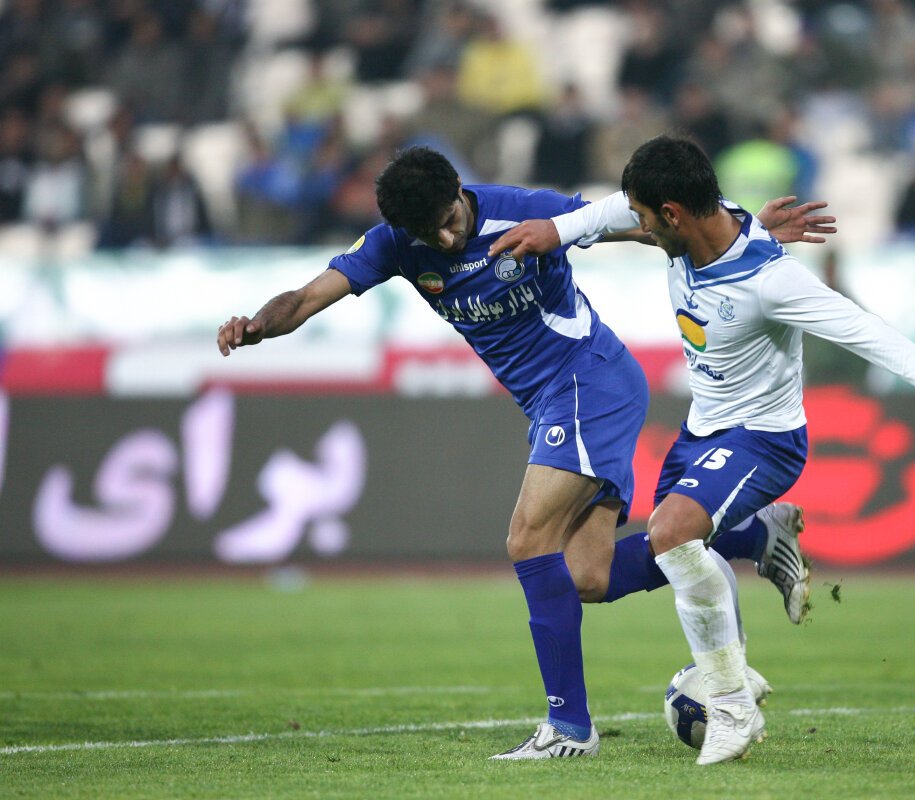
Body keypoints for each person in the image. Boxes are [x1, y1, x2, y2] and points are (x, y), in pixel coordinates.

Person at [215, 145, 828, 761]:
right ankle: (755, 536)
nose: (446, 240)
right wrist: (259, 325)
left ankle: (569, 729)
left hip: (589, 380)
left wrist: (736, 234)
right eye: (430, 234)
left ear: (460, 187)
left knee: (528, 539)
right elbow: (305, 298)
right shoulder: (395, 244)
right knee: (587, 576)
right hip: (549, 405)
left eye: (450, 220)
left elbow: (640, 223)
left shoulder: (521, 212)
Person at [489, 134, 915, 765]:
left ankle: (731, 706)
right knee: (593, 577)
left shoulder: (771, 280)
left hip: (765, 439)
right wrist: (557, 231)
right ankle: (762, 536)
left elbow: (864, 331)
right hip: (702, 432)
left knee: (673, 532)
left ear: (673, 214)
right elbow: (611, 212)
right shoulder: (697, 221)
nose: (638, 229)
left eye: (646, 219)